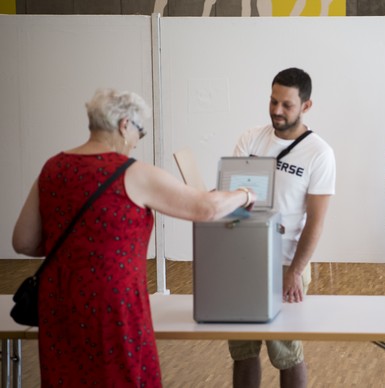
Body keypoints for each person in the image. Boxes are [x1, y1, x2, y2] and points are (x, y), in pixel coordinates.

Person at [11, 88, 256, 387]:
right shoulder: (132, 173)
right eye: (140, 132)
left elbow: (23, 242)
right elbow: (205, 209)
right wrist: (245, 194)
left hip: (59, 301)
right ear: (125, 124)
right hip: (112, 305)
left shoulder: (52, 168)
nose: (137, 143)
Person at [229, 67, 336, 388]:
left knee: (286, 352)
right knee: (242, 350)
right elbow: (231, 196)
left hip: (287, 263)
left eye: (286, 105)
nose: (277, 110)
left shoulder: (319, 153)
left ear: (306, 106)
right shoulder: (251, 138)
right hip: (244, 261)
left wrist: (295, 271)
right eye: (273, 101)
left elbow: (316, 221)